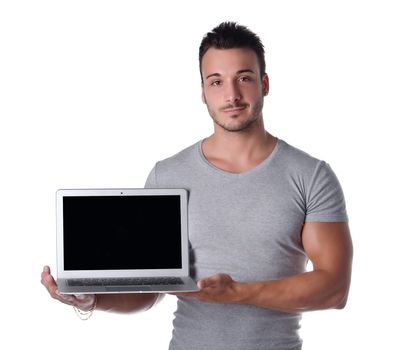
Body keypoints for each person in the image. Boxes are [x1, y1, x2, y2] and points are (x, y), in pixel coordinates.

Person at [41, 21, 353, 350]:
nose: (231, 95)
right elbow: (148, 292)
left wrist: (239, 293)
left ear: (264, 83)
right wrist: (90, 299)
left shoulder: (311, 175)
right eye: (216, 82)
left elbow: (335, 288)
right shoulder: (168, 175)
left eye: (244, 78)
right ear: (203, 91)